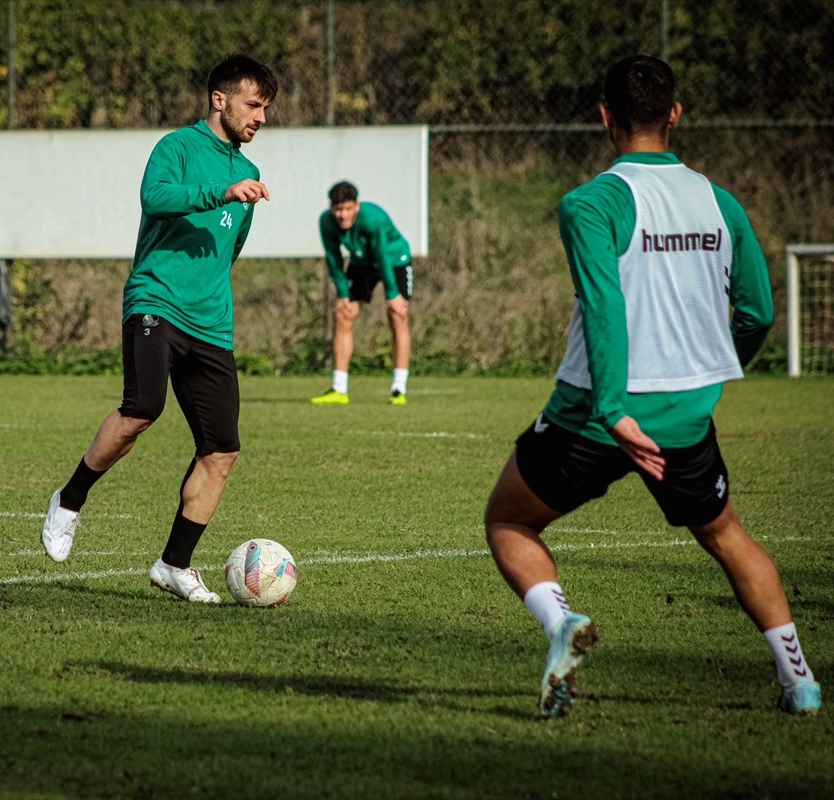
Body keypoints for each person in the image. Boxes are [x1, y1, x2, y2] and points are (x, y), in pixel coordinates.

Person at [483, 55, 821, 719]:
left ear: (604, 117)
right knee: (727, 537)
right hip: (684, 417)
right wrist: (708, 375)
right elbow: (757, 313)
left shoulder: (589, 204)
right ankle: (800, 681)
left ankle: (561, 625)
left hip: (596, 413)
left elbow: (604, 306)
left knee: (509, 520)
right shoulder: (720, 202)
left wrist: (613, 409)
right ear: (676, 115)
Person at [40, 55, 278, 603]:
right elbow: (155, 198)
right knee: (142, 409)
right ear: (220, 100)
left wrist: (232, 205)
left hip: (212, 324)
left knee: (221, 452)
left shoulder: (252, 174)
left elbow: (229, 250)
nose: (261, 117)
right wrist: (219, 192)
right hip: (156, 301)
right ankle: (69, 499)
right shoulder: (176, 147)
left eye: (266, 108)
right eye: (254, 104)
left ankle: (174, 564)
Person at [311, 181, 413, 406]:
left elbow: (383, 255)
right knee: (343, 314)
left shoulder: (373, 218)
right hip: (361, 264)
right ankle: (339, 389)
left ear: (356, 205)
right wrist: (343, 294)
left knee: (397, 315)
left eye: (348, 209)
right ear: (331, 208)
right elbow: (333, 258)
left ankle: (399, 388)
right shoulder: (326, 222)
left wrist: (392, 294)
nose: (343, 215)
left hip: (394, 259)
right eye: (338, 209)